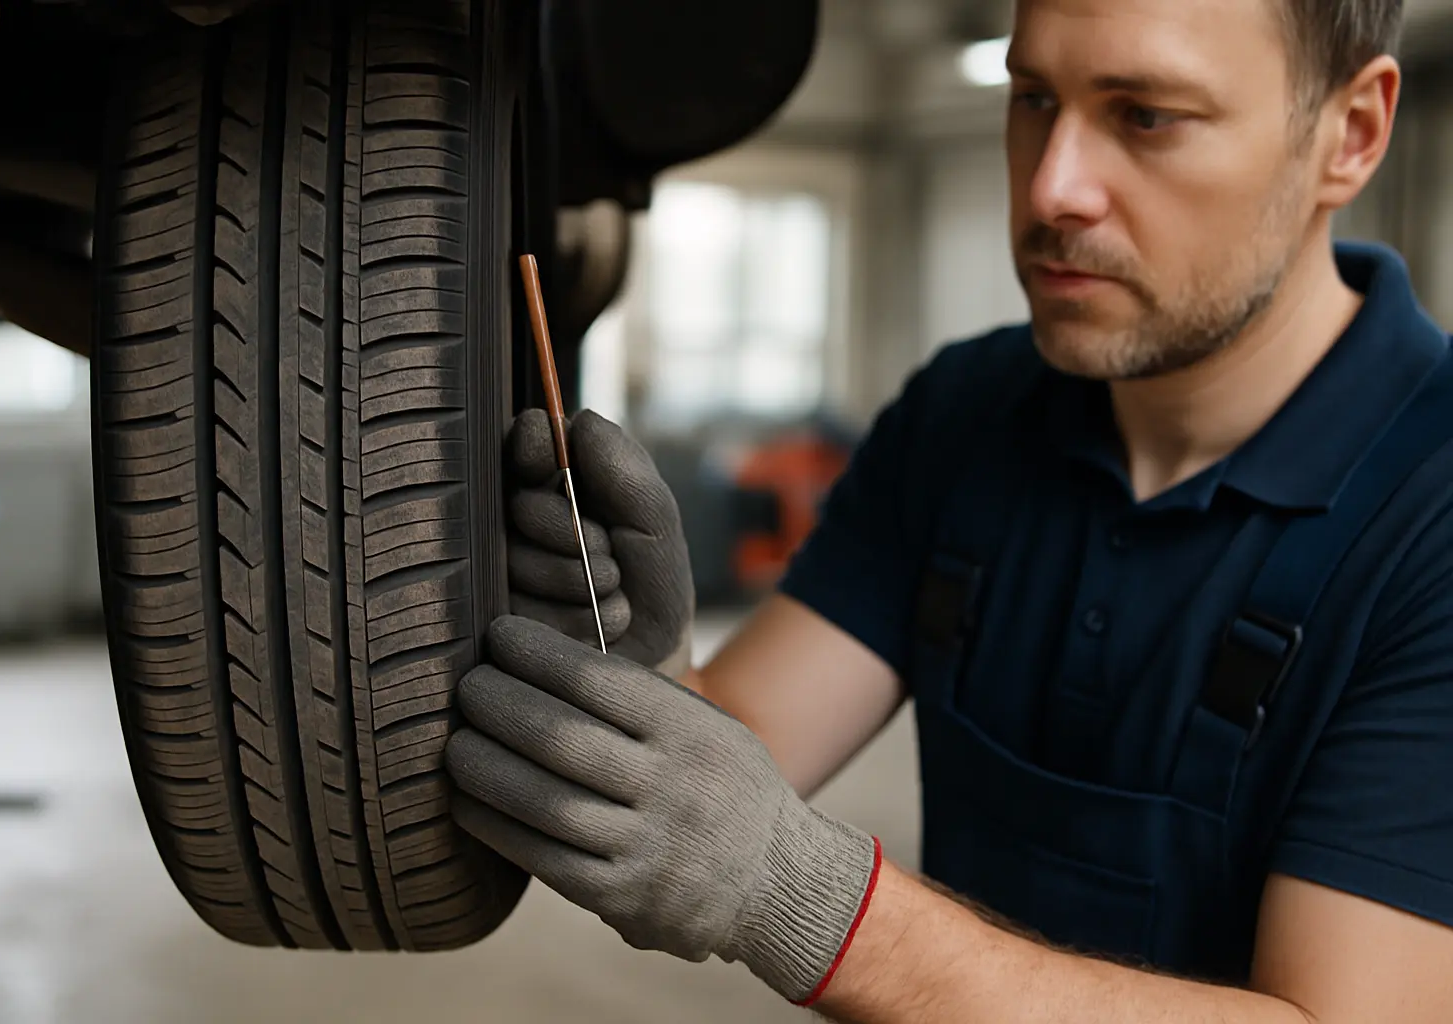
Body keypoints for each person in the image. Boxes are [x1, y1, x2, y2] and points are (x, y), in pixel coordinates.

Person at [444, 0, 1453, 1018]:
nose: (1053, 186)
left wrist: (810, 899)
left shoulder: (1431, 513)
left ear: (1351, 133)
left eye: (1146, 115)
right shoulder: (966, 412)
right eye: (1034, 97)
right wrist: (646, 668)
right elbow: (747, 753)